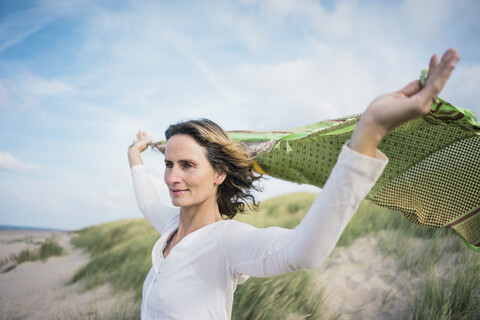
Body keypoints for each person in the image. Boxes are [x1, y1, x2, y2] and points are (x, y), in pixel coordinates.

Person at [128, 49, 460, 319]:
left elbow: (303, 252)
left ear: (219, 173)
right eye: (169, 163)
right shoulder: (171, 226)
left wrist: (370, 130)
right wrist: (135, 156)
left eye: (187, 165)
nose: (172, 177)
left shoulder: (225, 242)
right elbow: (146, 202)